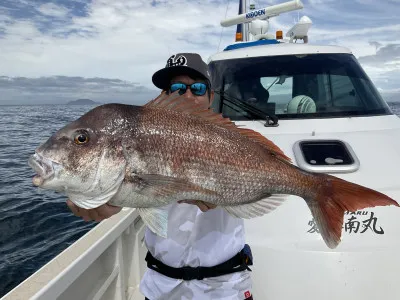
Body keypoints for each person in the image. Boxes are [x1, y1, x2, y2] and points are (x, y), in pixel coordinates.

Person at [67, 53, 254, 300]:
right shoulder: (142, 138)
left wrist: (230, 197)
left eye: (197, 88)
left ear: (210, 96)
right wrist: (93, 197)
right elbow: (121, 194)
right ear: (164, 96)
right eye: (176, 88)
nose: (187, 96)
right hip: (161, 288)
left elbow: (254, 198)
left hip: (225, 288)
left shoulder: (236, 143)